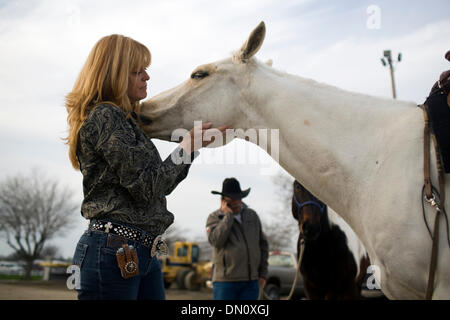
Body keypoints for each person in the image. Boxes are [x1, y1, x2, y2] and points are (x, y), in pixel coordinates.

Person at [65, 34, 229, 300]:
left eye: (146, 70)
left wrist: (193, 147)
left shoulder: (124, 121)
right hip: (113, 251)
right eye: (137, 71)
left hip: (141, 251)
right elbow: (147, 186)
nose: (146, 77)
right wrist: (186, 147)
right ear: (114, 74)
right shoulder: (106, 116)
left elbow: (159, 187)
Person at [206, 177, 269, 300]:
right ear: (223, 201)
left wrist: (263, 274)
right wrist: (228, 216)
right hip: (225, 283)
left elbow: (263, 245)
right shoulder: (214, 217)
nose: (237, 202)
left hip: (251, 282)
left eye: (239, 198)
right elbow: (216, 241)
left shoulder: (252, 215)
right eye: (232, 199)